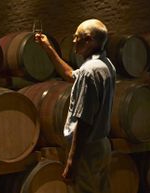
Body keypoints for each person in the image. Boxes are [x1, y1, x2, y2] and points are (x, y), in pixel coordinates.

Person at [35, 19, 116, 193]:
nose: (73, 41)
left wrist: (72, 160)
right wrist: (48, 48)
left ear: (88, 39)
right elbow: (70, 75)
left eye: (76, 37)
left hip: (86, 150)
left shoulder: (89, 72)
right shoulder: (105, 65)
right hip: (102, 146)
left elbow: (84, 120)